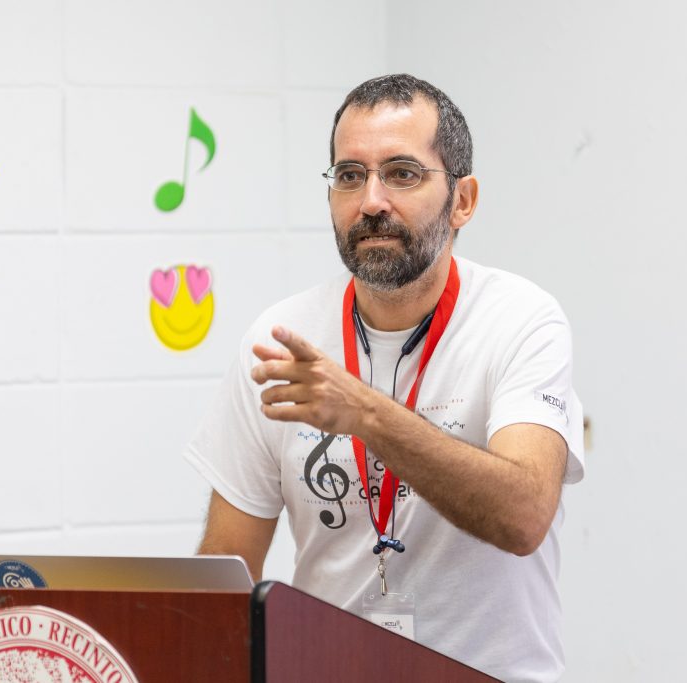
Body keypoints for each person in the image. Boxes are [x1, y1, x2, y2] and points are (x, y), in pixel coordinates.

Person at [186, 73, 584, 683]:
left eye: (401, 173)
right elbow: (223, 573)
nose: (371, 201)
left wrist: (365, 414)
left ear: (463, 200)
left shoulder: (521, 320)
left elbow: (525, 515)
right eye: (350, 176)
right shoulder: (279, 337)